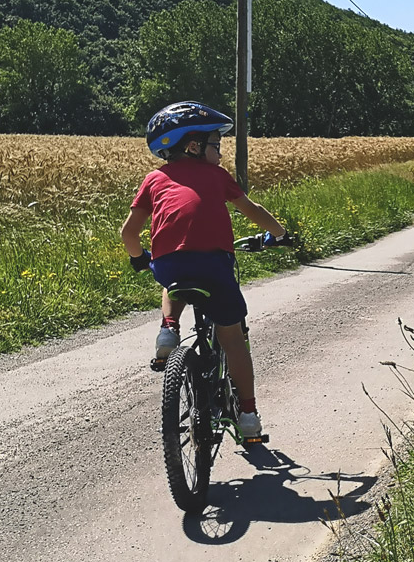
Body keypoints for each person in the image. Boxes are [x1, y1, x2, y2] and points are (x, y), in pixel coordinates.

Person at [120, 102, 291, 439]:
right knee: (233, 339)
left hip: (170, 263)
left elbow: (128, 233)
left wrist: (140, 258)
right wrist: (280, 235)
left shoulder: (154, 179)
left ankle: (168, 330)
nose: (221, 154)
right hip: (214, 264)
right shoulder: (217, 176)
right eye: (216, 145)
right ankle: (248, 415)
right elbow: (252, 209)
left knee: (169, 277)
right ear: (194, 146)